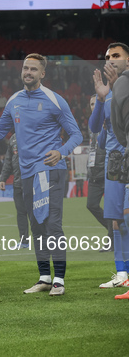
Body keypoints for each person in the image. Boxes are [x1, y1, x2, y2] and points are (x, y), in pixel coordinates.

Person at [0, 53, 82, 296]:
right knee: (37, 226)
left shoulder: (55, 100)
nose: (28, 72)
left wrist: (61, 152)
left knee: (52, 225)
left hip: (51, 170)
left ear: (43, 74)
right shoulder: (13, 101)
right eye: (25, 68)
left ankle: (59, 279)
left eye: (33, 69)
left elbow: (76, 135)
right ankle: (44, 277)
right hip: (27, 173)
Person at [92, 42, 129, 298]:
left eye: (116, 55)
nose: (111, 59)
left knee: (127, 215)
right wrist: (101, 99)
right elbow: (97, 130)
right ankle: (122, 274)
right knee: (116, 221)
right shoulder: (108, 92)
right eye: (108, 56)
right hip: (114, 164)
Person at [86, 95, 112, 251]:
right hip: (94, 173)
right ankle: (112, 230)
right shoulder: (92, 124)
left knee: (111, 209)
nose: (93, 106)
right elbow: (92, 150)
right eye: (91, 104)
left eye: (95, 103)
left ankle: (111, 240)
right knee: (91, 205)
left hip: (108, 172)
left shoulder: (109, 121)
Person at [0, 133, 30, 248]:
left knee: (36, 213)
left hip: (31, 181)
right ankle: (24, 241)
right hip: (18, 182)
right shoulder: (13, 138)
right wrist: (3, 178)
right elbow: (8, 160)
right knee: (21, 213)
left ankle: (41, 240)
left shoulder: (32, 133)